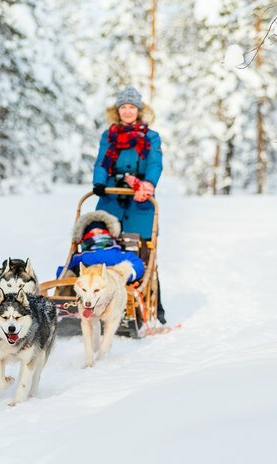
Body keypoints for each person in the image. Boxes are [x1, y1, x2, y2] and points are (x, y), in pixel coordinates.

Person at [92, 86, 166, 323]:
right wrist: (99, 182)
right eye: (123, 107)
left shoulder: (150, 137)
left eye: (131, 107)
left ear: (139, 110)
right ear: (117, 110)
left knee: (142, 250)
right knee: (101, 242)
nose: (127, 111)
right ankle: (98, 298)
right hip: (112, 197)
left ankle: (152, 305)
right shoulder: (109, 135)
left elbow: (155, 164)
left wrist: (148, 184)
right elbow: (102, 162)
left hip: (139, 200)